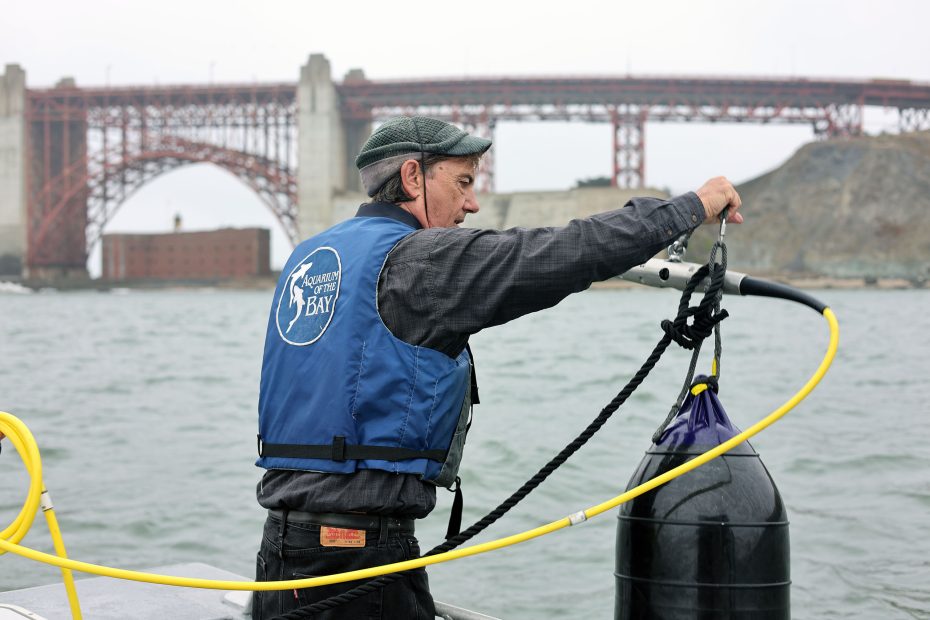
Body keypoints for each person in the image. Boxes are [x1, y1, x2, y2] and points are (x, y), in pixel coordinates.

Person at [252, 116, 742, 619]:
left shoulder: (310, 258)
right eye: (462, 182)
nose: (472, 204)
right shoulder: (417, 262)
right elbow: (566, 251)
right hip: (357, 563)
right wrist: (690, 207)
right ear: (413, 177)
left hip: (279, 554)